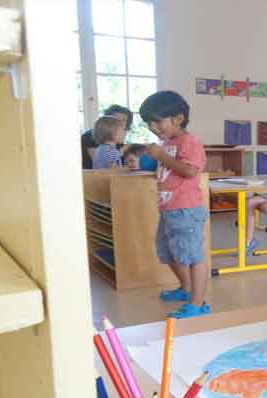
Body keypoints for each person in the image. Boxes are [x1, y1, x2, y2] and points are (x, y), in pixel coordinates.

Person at [140, 90, 210, 319]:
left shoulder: (189, 142)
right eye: (148, 123)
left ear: (178, 119)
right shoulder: (168, 143)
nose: (152, 127)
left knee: (193, 256)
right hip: (170, 209)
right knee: (169, 252)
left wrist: (161, 156)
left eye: (157, 121)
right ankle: (186, 289)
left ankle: (198, 303)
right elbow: (169, 170)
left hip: (186, 209)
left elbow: (190, 171)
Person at [81, 104, 132, 169]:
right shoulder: (89, 137)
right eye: (117, 120)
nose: (121, 123)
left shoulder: (105, 146)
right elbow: (113, 169)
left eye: (124, 120)